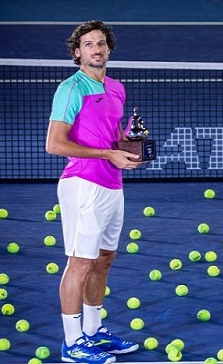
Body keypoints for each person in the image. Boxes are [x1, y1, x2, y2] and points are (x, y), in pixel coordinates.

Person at [46, 20, 143, 364]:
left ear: (109, 49)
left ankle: (93, 331)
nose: (96, 49)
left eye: (101, 43)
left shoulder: (117, 88)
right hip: (83, 184)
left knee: (104, 260)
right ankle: (72, 344)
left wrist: (130, 148)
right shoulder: (71, 89)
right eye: (88, 44)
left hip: (113, 185)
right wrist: (107, 154)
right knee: (81, 263)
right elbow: (55, 144)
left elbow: (112, 136)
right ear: (77, 52)